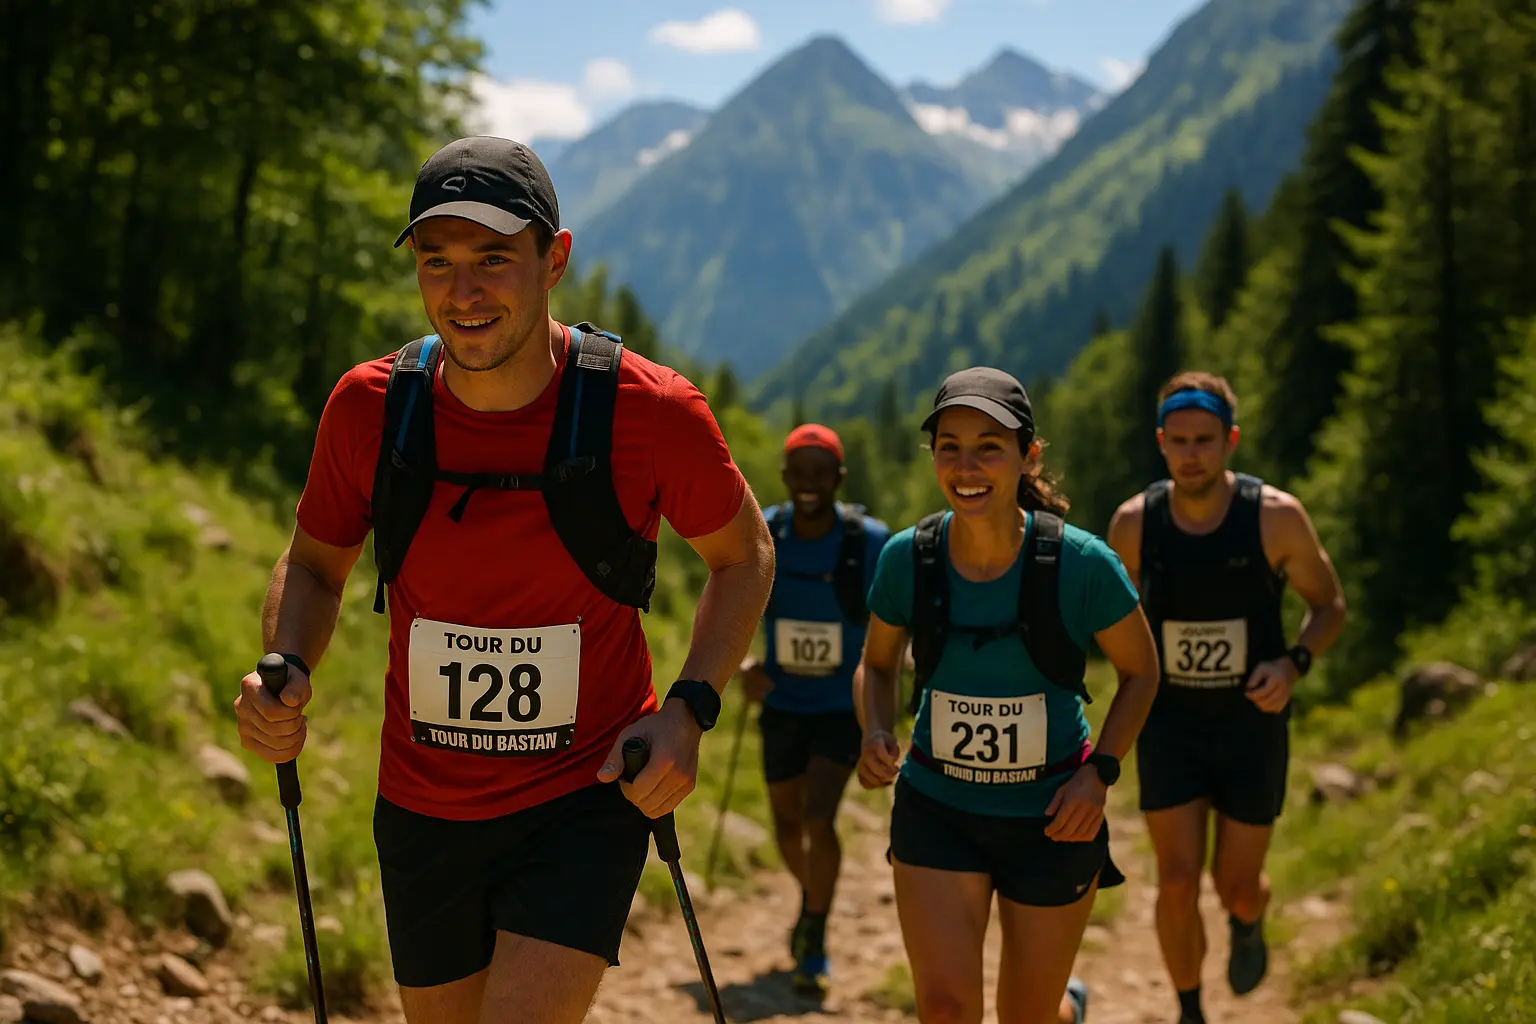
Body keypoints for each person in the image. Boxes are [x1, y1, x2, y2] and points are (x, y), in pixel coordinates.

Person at [232, 135, 775, 1024]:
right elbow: (316, 565)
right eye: (437, 261)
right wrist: (285, 663)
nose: (463, 291)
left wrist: (689, 709)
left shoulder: (652, 411)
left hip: (586, 794)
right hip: (422, 805)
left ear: (554, 260)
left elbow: (744, 554)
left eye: (493, 259)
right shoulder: (369, 407)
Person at [855, 367, 1161, 1024]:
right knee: (945, 1010)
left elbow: (1142, 672)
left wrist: (1100, 774)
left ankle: (1065, 1010)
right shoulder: (908, 558)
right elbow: (876, 666)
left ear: (1029, 456)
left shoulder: (1083, 564)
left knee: (1029, 1015)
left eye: (988, 447)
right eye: (949, 447)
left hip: (1053, 816)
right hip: (938, 809)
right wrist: (875, 730)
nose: (966, 467)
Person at [1106, 372, 1346, 1024]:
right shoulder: (1134, 525)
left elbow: (1329, 606)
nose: (1191, 455)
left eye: (1205, 440)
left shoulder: (1275, 517)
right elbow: (1109, 621)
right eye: (1179, 441)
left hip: (1251, 726)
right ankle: (1190, 1011)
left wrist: (1293, 664)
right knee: (1177, 880)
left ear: (1230, 440)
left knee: (1235, 888)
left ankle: (1248, 920)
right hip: (1170, 725)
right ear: (1161, 442)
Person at [734, 423, 892, 998]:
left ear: (838, 479)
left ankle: (816, 935)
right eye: (799, 473)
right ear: (784, 477)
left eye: (820, 474)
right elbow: (734, 598)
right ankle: (811, 897)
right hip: (782, 704)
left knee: (819, 816)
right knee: (786, 825)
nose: (808, 484)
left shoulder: (868, 542)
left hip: (841, 707)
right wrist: (745, 665)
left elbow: (895, 617)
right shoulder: (766, 530)